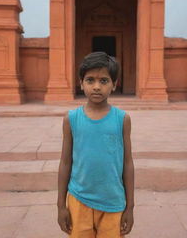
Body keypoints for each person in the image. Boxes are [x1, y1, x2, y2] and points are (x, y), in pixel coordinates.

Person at [57, 51, 134, 238]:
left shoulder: (122, 119)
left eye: (104, 81)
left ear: (114, 84)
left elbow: (128, 163)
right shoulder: (71, 119)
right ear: (81, 83)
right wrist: (61, 206)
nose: (97, 87)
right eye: (90, 80)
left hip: (113, 201)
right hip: (78, 200)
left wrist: (130, 207)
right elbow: (65, 162)